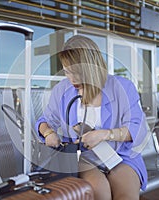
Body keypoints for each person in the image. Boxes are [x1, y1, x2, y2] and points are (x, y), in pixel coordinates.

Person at [35, 35, 147, 200]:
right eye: (67, 71)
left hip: (120, 155)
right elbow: (44, 121)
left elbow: (137, 129)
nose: (71, 79)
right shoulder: (62, 90)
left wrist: (105, 134)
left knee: (126, 196)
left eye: (77, 72)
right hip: (83, 157)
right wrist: (48, 133)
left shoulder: (122, 87)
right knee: (99, 192)